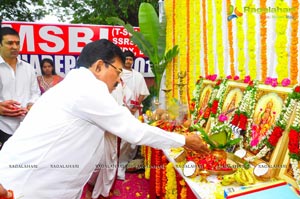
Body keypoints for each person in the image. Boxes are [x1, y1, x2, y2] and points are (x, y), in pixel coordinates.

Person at [0, 39, 209, 199]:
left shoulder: (76, 85)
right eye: (118, 71)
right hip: (24, 187)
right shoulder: (87, 88)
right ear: (99, 66)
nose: (119, 80)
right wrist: (185, 140)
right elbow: (134, 131)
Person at [0, 27, 40, 149]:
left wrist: (32, 104)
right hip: (2, 127)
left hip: (25, 128)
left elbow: (35, 93)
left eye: (17, 43)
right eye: (9, 43)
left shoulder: (28, 68)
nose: (15, 47)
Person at [117, 50, 150, 180]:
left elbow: (142, 92)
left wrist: (135, 106)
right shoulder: (118, 75)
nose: (128, 61)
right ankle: (116, 165)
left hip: (134, 111)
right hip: (120, 111)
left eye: (130, 59)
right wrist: (126, 108)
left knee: (132, 139)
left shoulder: (138, 76)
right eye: (126, 59)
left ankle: (124, 164)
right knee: (121, 138)